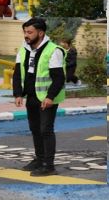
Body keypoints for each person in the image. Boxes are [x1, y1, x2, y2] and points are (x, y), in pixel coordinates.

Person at [12, 18, 66, 176]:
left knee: (46, 130)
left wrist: (50, 97)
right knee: (35, 129)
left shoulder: (53, 50)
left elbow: (58, 78)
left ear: (41, 33)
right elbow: (17, 74)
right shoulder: (23, 50)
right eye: (25, 32)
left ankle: (49, 165)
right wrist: (17, 94)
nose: (26, 35)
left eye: (30, 32)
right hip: (32, 96)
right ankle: (39, 159)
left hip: (47, 98)